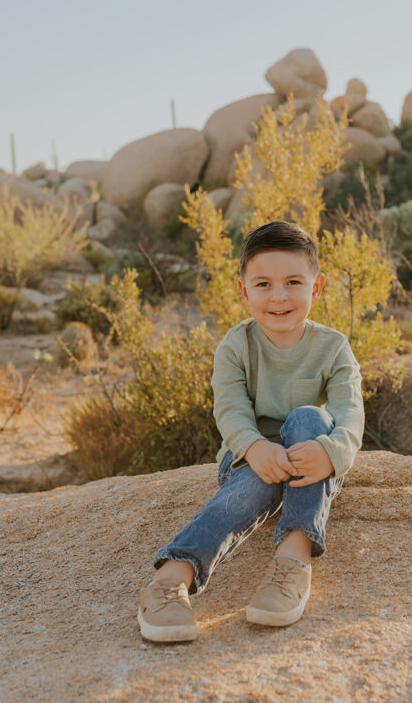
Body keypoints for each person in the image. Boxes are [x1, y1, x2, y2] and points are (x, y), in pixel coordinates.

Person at [138, 220, 365, 643]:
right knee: (254, 485)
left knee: (309, 418)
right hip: (249, 459)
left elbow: (350, 415)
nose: (278, 296)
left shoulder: (333, 347)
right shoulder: (235, 346)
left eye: (293, 282)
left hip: (310, 458)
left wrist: (332, 452)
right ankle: (170, 579)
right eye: (263, 284)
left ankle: (292, 563)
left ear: (316, 289)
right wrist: (255, 446)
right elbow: (230, 410)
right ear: (244, 291)